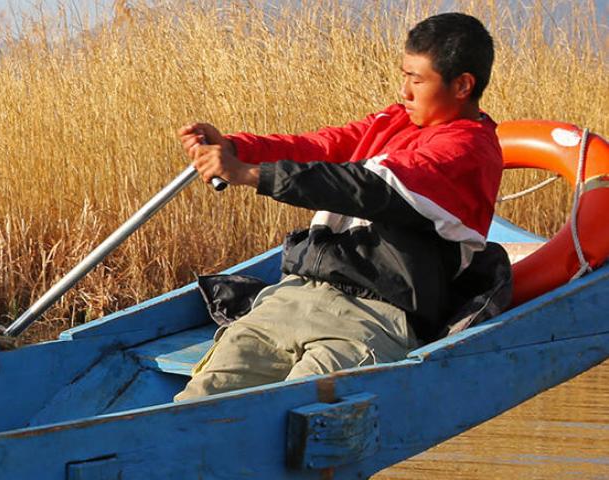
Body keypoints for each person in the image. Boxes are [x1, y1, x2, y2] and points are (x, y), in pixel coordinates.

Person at [174, 12, 503, 402]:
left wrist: (252, 174)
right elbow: (321, 147)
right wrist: (236, 148)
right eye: (404, 75)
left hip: (370, 318)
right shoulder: (394, 121)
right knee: (195, 405)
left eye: (417, 79)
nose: (405, 91)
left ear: (463, 85)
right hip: (293, 297)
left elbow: (367, 186)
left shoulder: (468, 151)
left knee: (285, 417)